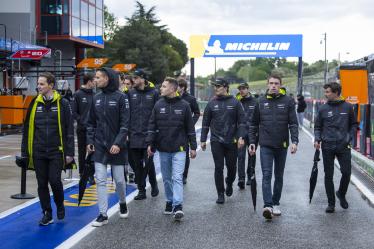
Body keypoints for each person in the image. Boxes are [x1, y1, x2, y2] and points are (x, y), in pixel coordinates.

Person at [21, 72, 74, 226]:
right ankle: (47, 213)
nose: (38, 86)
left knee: (55, 181)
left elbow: (69, 129)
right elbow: (27, 129)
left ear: (51, 85)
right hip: (38, 151)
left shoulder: (63, 103)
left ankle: (60, 204)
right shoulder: (34, 103)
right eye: (38, 83)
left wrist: (69, 152)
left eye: (42, 84)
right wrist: (25, 152)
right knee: (41, 183)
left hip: (56, 151)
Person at [248, 73, 298, 220]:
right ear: (267, 85)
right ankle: (267, 205)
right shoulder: (260, 101)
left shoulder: (288, 101)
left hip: (282, 145)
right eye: (271, 83)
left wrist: (294, 141)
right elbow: (253, 124)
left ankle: (276, 203)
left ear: (280, 85)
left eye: (276, 83)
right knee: (266, 174)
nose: (274, 86)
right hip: (265, 145)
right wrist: (252, 142)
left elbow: (293, 123)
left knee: (279, 176)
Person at [146, 77, 197, 221]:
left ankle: (178, 206)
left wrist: (193, 146)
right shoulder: (158, 105)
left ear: (173, 89)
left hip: (180, 148)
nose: (160, 89)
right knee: (167, 178)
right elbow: (152, 126)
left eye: (163, 86)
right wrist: (150, 143)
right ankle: (169, 201)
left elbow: (190, 128)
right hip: (163, 148)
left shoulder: (184, 105)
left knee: (177, 177)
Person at [87, 68, 130, 227]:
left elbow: (125, 125)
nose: (95, 80)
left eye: (98, 77)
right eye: (95, 77)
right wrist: (89, 141)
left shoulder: (121, 98)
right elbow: (91, 122)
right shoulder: (96, 98)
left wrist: (118, 143)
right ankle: (102, 214)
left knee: (119, 180)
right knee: (100, 180)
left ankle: (123, 202)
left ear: (107, 79)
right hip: (99, 145)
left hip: (117, 146)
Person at [200, 78, 246, 204]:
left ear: (226, 87)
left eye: (218, 86)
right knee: (218, 167)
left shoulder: (236, 103)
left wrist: (241, 137)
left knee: (232, 168)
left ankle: (229, 182)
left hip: (232, 141)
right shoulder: (211, 103)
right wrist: (203, 139)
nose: (216, 88)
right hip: (216, 141)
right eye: (215, 86)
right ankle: (220, 194)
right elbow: (205, 123)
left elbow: (242, 122)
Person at [314, 82, 357, 213]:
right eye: (325, 92)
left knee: (346, 173)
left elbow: (354, 125)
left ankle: (341, 194)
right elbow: (317, 127)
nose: (325, 94)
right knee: (329, 175)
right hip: (327, 145)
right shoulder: (322, 108)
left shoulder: (348, 107)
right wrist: (317, 138)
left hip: (344, 146)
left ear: (336, 92)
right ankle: (331, 203)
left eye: (328, 92)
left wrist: (348, 138)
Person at [128, 69, 159, 200]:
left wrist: (156, 133)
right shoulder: (130, 93)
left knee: (148, 163)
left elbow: (157, 114)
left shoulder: (154, 93)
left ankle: (153, 183)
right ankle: (141, 190)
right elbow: (126, 114)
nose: (132, 81)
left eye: (135, 78)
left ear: (142, 79)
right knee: (136, 164)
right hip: (134, 134)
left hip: (149, 135)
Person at [72, 73, 95, 184]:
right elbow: (74, 112)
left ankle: (90, 174)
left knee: (92, 152)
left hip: (93, 130)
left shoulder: (95, 95)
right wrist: (82, 120)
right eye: (94, 80)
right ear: (89, 81)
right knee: (82, 153)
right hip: (82, 129)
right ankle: (82, 173)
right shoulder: (78, 94)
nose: (95, 82)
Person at [177, 78, 200, 184]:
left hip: (186, 130)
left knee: (185, 154)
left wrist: (191, 123)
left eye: (177, 86)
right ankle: (176, 174)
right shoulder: (173, 97)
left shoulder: (191, 99)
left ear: (182, 87)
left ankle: (184, 175)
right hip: (174, 129)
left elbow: (197, 112)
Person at [235, 82, 257, 189]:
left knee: (251, 155)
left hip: (253, 133)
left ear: (248, 89)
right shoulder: (237, 102)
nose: (241, 90)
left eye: (243, 88)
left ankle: (250, 176)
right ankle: (241, 178)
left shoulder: (255, 102)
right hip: (241, 133)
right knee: (240, 156)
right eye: (240, 88)